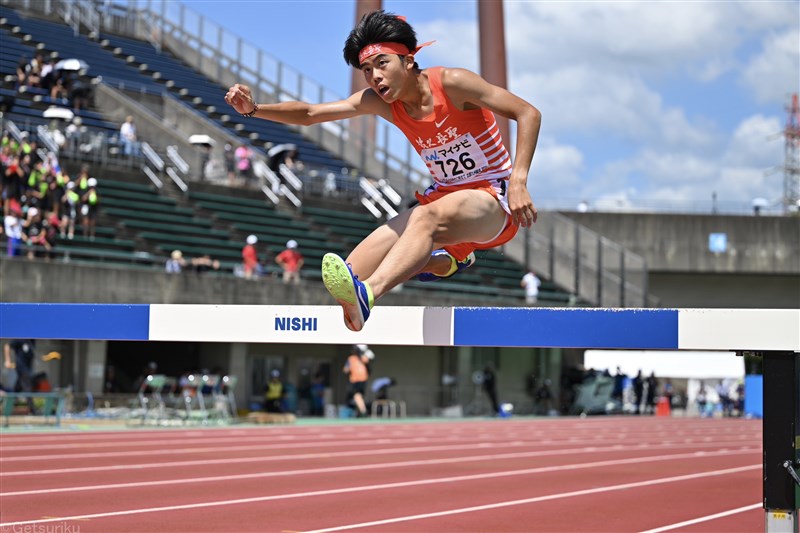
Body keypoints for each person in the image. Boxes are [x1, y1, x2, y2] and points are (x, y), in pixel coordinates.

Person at [225, 10, 541, 332]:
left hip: (492, 197)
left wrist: (518, 180)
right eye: (366, 70)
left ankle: (372, 293)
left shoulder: (453, 83)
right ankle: (447, 260)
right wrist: (253, 110)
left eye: (381, 64)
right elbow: (310, 113)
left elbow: (527, 112)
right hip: (446, 199)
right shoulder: (380, 102)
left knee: (421, 220)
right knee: (351, 272)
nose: (374, 76)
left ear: (408, 61)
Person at [3, 339, 36, 413]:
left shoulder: (33, 340)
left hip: (28, 369)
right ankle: (33, 410)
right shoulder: (21, 338)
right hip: (21, 368)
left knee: (17, 388)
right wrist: (7, 360)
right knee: (27, 387)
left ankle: (8, 407)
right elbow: (7, 346)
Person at [344, 344, 373, 417]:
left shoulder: (351, 359)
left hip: (355, 380)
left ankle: (363, 411)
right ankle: (360, 411)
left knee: (357, 395)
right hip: (363, 379)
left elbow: (346, 370)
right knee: (359, 396)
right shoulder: (364, 358)